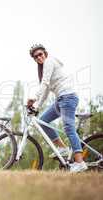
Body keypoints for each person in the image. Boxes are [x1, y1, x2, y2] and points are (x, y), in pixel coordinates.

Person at [27, 44, 88, 172]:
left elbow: (45, 84)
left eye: (40, 54)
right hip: (60, 99)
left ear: (45, 53)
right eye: (35, 57)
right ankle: (63, 148)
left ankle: (80, 162)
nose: (38, 57)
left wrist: (33, 98)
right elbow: (46, 91)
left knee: (69, 129)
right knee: (43, 121)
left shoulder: (50, 61)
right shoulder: (44, 68)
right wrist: (37, 106)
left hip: (68, 97)